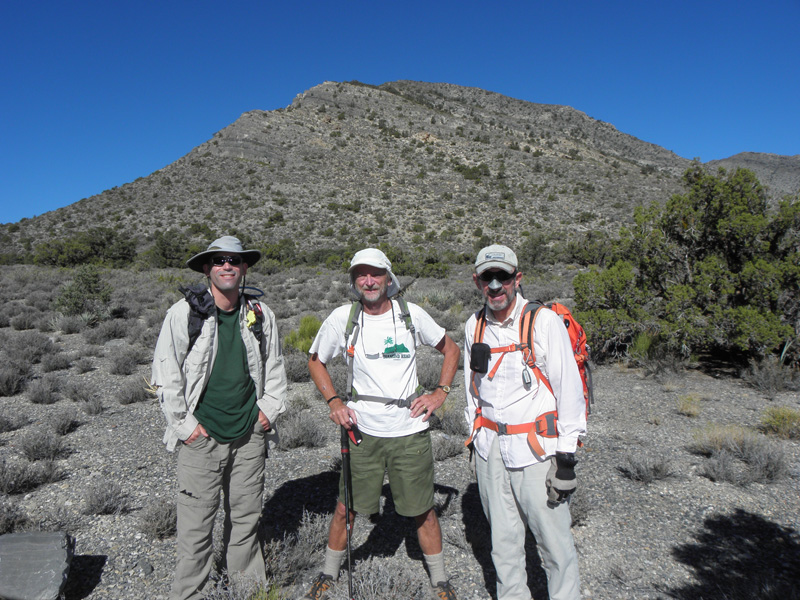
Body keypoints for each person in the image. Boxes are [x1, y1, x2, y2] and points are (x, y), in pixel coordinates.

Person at [302, 248, 461, 600]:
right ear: (354, 281)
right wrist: (334, 402)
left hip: (409, 431)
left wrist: (439, 393)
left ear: (389, 278)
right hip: (362, 432)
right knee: (347, 507)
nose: (369, 281)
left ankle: (440, 580)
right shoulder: (344, 318)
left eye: (375, 274)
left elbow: (451, 349)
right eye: (361, 275)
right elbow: (315, 361)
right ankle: (329, 573)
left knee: (422, 510)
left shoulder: (411, 315)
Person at [151, 235, 287, 600]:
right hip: (202, 437)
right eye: (218, 260)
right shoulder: (185, 314)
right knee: (195, 527)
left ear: (244, 268)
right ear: (208, 268)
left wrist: (267, 413)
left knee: (245, 520)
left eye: (234, 260)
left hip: (249, 434)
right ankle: (190, 594)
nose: (227, 265)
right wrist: (185, 427)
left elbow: (275, 368)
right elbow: (166, 375)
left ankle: (247, 590)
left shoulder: (260, 315)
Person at [463, 245, 586, 600]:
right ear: (477, 282)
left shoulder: (543, 322)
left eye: (503, 276)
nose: (496, 285)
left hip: (536, 452)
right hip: (490, 452)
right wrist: (474, 436)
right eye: (488, 277)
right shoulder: (474, 324)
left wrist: (565, 461)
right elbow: (472, 388)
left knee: (555, 547)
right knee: (503, 546)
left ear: (518, 279)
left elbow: (570, 394)